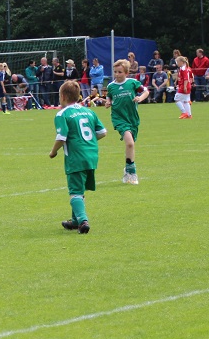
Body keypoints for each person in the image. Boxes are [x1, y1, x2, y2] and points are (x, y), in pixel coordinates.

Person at [50, 80, 107, 234]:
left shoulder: (62, 113)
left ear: (62, 96)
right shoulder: (89, 112)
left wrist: (53, 151)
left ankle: (83, 221)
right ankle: (75, 221)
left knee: (74, 191)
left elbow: (61, 136)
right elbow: (102, 132)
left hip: (75, 157)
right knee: (80, 189)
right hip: (92, 155)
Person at [105, 59, 149, 185]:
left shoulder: (132, 83)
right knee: (129, 143)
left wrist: (139, 98)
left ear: (126, 72)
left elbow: (146, 91)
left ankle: (127, 169)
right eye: (115, 72)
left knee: (131, 144)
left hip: (132, 118)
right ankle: (132, 172)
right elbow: (109, 96)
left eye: (119, 72)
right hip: (119, 118)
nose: (117, 74)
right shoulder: (111, 86)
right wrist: (108, 102)